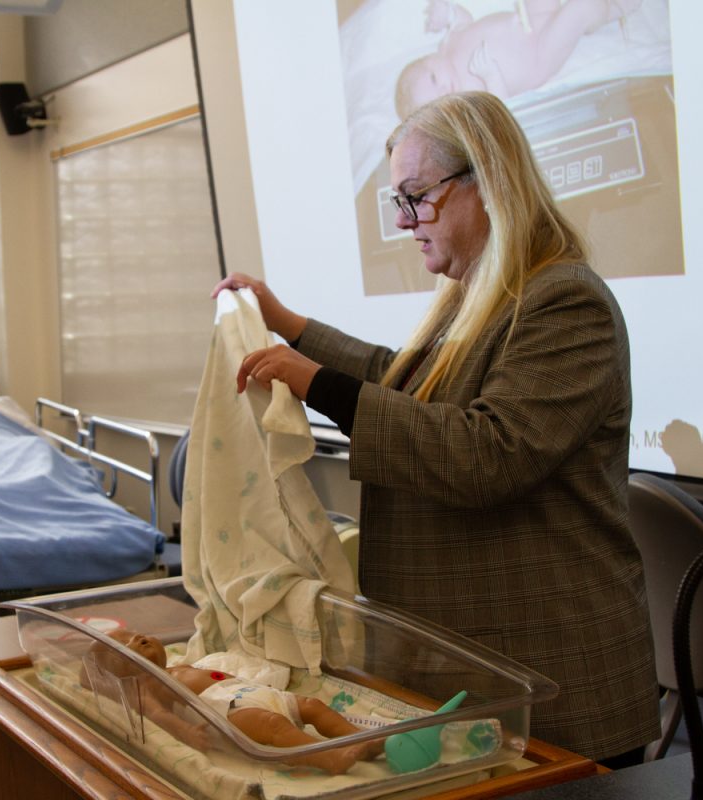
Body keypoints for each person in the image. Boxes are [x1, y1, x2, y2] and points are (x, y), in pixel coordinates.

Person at [212, 91, 660, 767]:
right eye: (398, 202)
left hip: (554, 687)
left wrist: (317, 383)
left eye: (416, 197)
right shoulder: (483, 297)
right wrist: (289, 325)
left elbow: (487, 453)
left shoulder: (566, 301)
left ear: (486, 180)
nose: (406, 222)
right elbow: (407, 381)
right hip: (476, 674)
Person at [82, 628, 383, 774]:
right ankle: (328, 759)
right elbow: (156, 713)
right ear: (123, 674)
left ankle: (360, 739)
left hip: (246, 692)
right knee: (272, 726)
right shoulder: (147, 683)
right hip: (219, 712)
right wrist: (185, 732)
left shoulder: (178, 665)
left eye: (135, 634)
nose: (139, 639)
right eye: (126, 647)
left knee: (312, 706)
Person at [395, 0, 642, 120]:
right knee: (581, 11)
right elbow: (502, 106)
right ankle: (616, 9)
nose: (444, 88)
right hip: (539, 54)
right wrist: (492, 75)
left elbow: (463, 19)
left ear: (430, 57)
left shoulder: (449, 42)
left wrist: (445, 11)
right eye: (438, 98)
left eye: (434, 78)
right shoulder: (468, 100)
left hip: (528, 20)